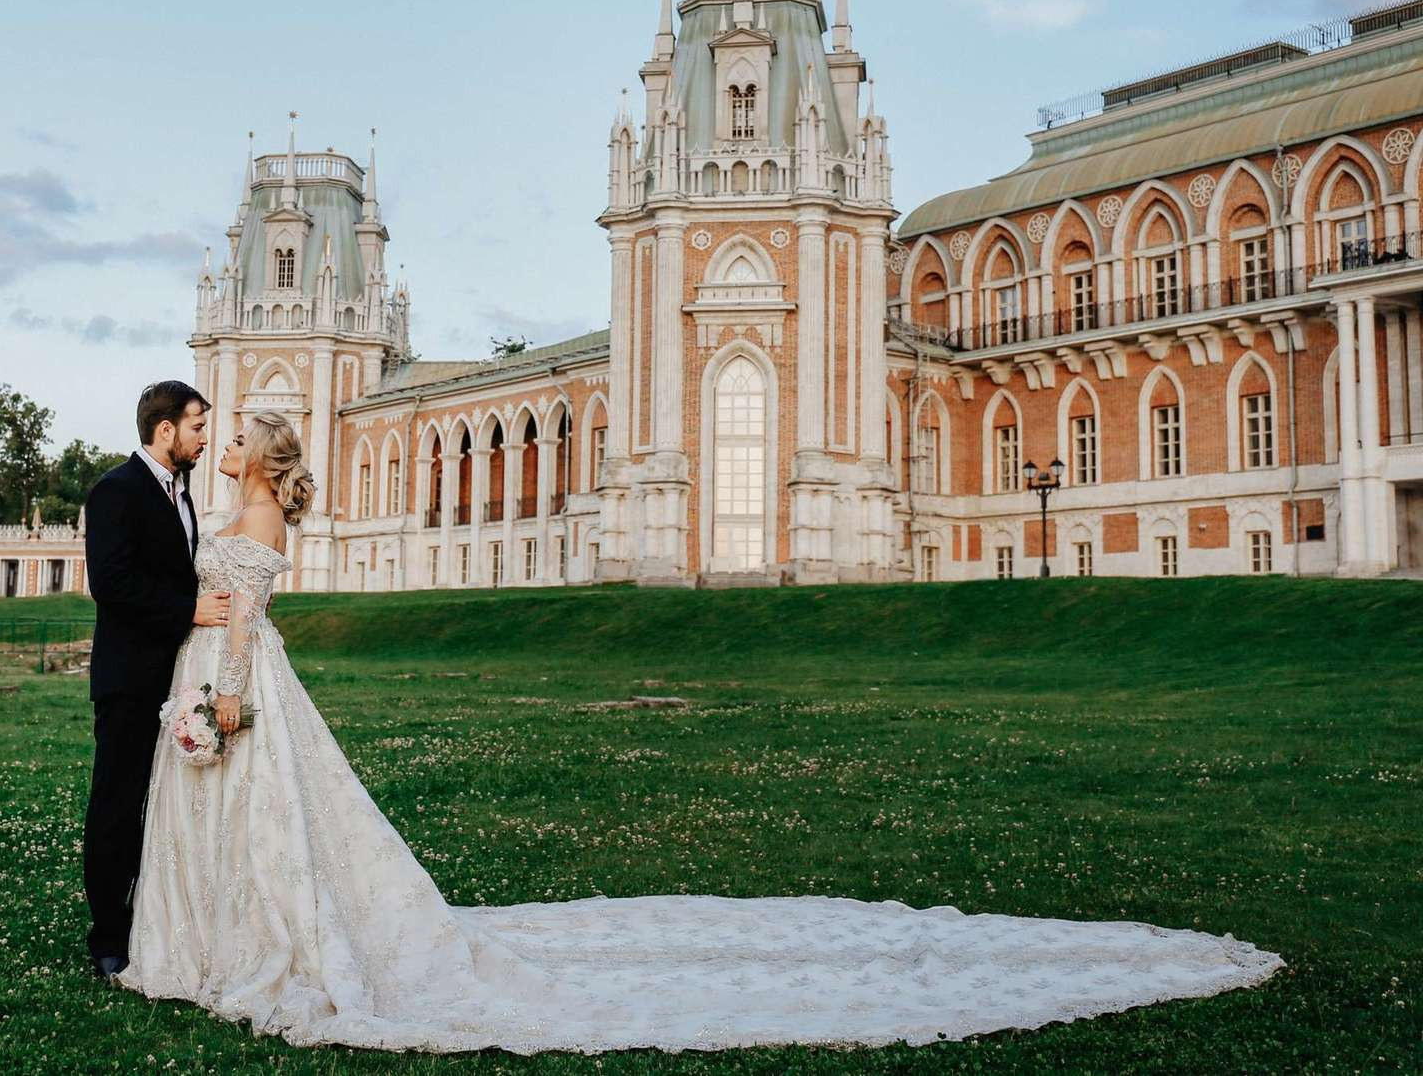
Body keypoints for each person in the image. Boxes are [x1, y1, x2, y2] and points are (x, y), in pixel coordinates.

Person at [117, 412, 1285, 1053]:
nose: (218, 438)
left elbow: (244, 607)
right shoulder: (224, 504)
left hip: (235, 678)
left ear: (261, 462)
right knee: (263, 832)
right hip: (217, 668)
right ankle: (227, 933)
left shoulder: (248, 508)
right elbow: (215, 590)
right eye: (211, 429)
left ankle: (244, 943)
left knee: (272, 827)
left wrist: (224, 692)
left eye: (234, 436)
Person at [81, 380, 231, 979]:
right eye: (197, 427)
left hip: (177, 679)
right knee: (118, 805)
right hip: (129, 680)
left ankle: (159, 919)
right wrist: (188, 610)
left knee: (167, 804)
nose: (203, 439)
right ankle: (108, 938)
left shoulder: (183, 493)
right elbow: (111, 583)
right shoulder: (115, 490)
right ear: (164, 429)